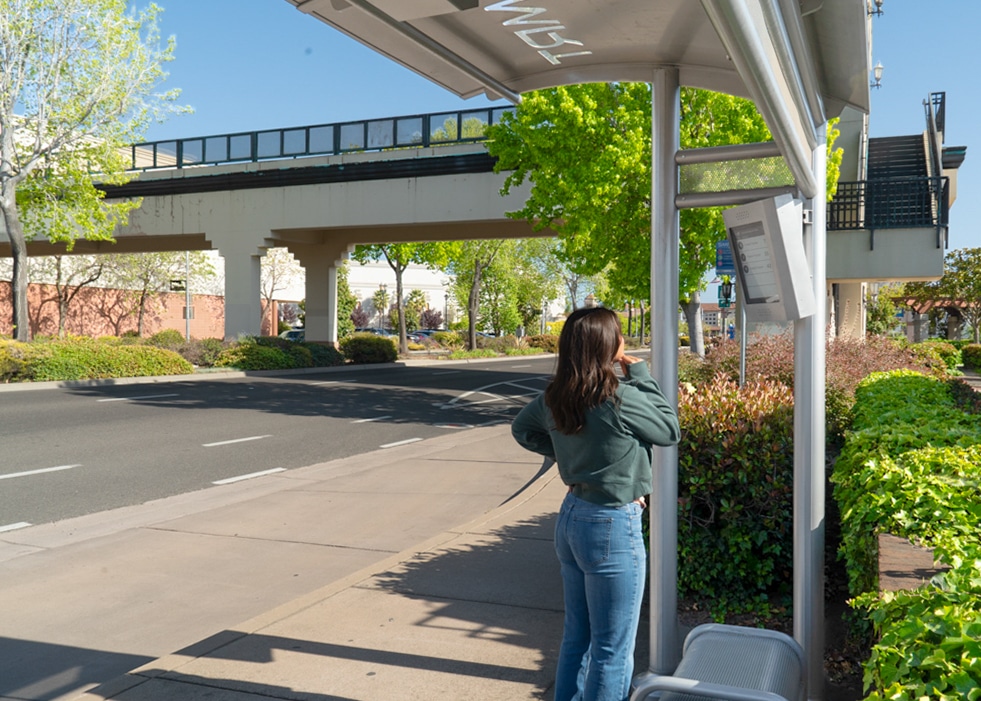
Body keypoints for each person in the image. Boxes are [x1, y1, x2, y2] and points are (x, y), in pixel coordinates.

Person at [511, 306, 680, 701]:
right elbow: (669, 429)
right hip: (611, 525)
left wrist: (569, 460)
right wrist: (638, 371)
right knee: (612, 647)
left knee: (578, 638)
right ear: (611, 344)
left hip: (571, 518)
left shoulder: (556, 395)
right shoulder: (617, 396)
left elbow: (523, 430)